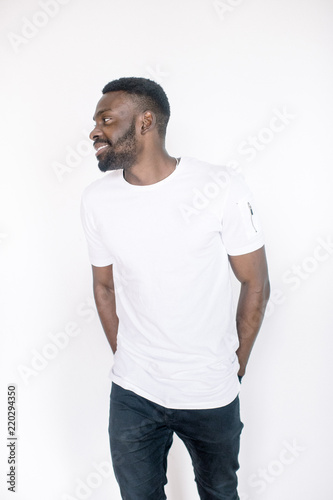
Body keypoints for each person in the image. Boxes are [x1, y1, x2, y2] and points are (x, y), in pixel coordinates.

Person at [81, 77, 270, 500]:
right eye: (95, 122)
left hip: (209, 392)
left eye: (106, 120)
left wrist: (234, 365)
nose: (94, 132)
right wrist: (126, 354)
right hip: (133, 394)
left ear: (146, 122)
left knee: (220, 492)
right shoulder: (96, 200)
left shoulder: (220, 187)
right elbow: (104, 286)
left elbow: (255, 282)